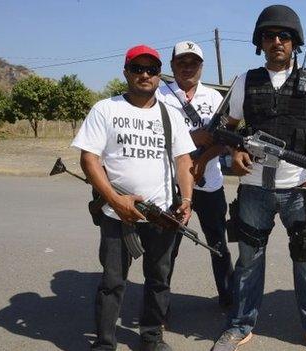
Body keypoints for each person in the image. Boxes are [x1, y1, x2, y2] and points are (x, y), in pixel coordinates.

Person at [210, 4, 306, 351]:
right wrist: (234, 153)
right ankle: (239, 326)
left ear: (295, 42)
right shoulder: (245, 80)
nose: (277, 41)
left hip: (300, 187)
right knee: (248, 263)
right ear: (260, 42)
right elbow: (227, 129)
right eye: (269, 36)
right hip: (254, 187)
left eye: (284, 36)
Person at [72, 45, 196, 351]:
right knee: (112, 282)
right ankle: (104, 343)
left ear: (158, 75)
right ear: (126, 72)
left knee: (158, 279)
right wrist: (115, 201)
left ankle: (152, 337)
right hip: (117, 215)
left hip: (160, 214)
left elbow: (183, 161)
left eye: (151, 70)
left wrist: (187, 199)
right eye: (137, 69)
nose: (145, 75)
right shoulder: (106, 109)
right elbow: (89, 160)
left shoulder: (170, 116)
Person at [157, 41, 234, 308]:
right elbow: (155, 139)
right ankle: (160, 308)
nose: (188, 67)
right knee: (168, 249)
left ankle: (228, 299)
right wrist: (192, 138)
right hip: (172, 187)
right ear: (172, 66)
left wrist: (202, 159)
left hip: (210, 185)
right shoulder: (159, 97)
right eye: (182, 62)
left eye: (194, 63)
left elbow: (224, 139)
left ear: (201, 67)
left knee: (218, 245)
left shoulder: (214, 98)